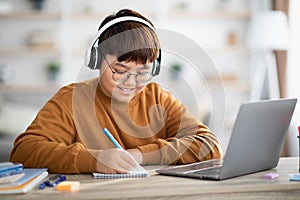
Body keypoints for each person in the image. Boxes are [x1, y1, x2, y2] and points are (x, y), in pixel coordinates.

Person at [10, 8, 222, 174]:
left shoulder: (158, 98)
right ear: (96, 60)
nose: (131, 82)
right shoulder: (71, 99)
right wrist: (94, 160)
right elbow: (24, 151)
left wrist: (140, 155)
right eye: (119, 71)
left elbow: (209, 145)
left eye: (142, 72)